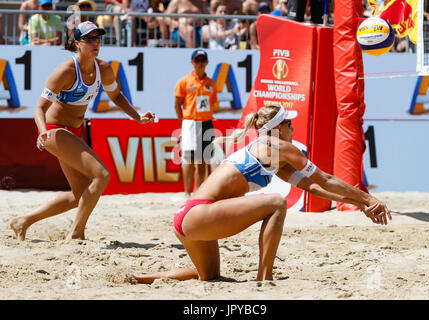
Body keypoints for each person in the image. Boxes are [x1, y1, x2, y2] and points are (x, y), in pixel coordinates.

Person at [132, 105, 391, 284]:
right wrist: (369, 198)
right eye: (290, 123)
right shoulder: (277, 146)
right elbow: (325, 178)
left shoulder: (269, 154)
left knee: (209, 277)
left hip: (187, 219)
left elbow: (315, 187)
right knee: (277, 203)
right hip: (199, 213)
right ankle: (264, 280)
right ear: (278, 129)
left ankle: (143, 279)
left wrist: (361, 204)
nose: (293, 127)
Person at [9, 21, 156, 241]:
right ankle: (76, 234)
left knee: (80, 195)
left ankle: (23, 221)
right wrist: (41, 131)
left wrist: (137, 118)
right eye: (89, 39)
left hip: (73, 132)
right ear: (77, 43)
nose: (95, 43)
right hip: (54, 130)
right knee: (102, 175)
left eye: (98, 38)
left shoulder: (103, 68)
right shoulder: (66, 71)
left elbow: (116, 96)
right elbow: (39, 108)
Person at [174, 49, 220, 198]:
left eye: (202, 60)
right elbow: (177, 105)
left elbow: (212, 104)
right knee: (189, 159)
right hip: (191, 123)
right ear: (192, 62)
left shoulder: (211, 84)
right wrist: (184, 124)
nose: (200, 63)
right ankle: (187, 193)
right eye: (197, 60)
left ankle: (198, 192)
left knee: (204, 159)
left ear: (206, 62)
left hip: (206, 122)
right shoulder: (184, 81)